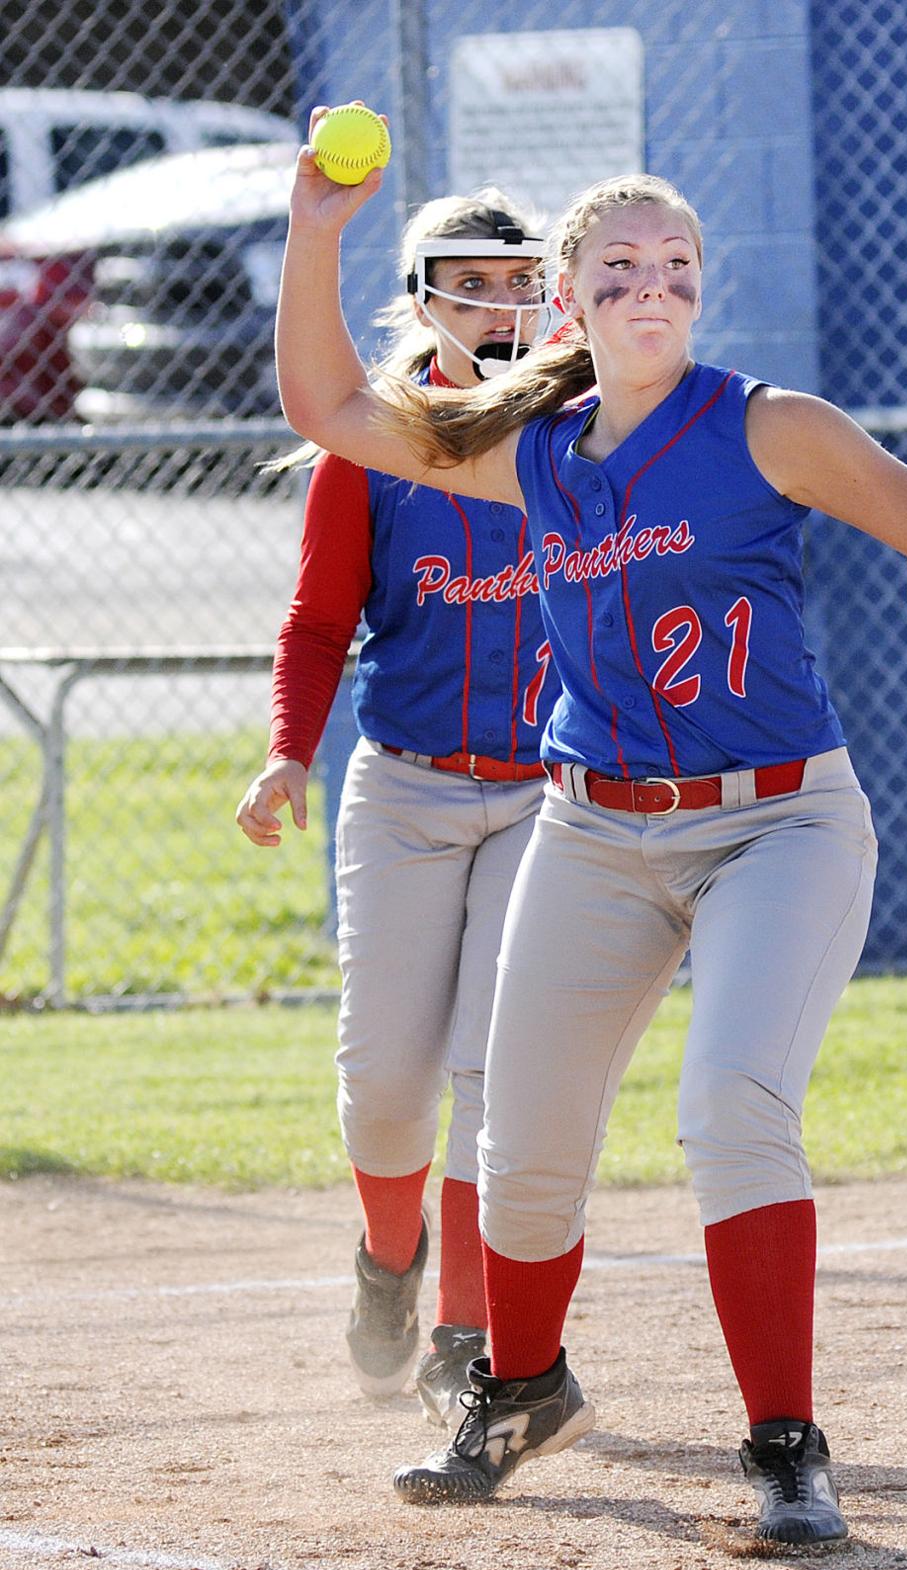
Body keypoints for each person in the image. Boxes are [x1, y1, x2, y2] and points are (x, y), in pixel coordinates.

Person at [275, 107, 907, 1549]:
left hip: (778, 828)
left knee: (730, 1107)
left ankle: (787, 1450)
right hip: (595, 829)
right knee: (525, 1138)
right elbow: (333, 414)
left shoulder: (769, 427)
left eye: (676, 262)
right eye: (619, 264)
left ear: (700, 288)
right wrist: (317, 229)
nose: (654, 284)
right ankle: (519, 1386)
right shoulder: (535, 455)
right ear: (570, 299)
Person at [236, 184, 558, 1433]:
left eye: (518, 278)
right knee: (384, 1083)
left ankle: (468, 1336)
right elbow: (318, 624)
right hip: (408, 786)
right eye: (469, 281)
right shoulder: (372, 443)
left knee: (490, 1075)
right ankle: (388, 1258)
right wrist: (287, 756)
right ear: (422, 296)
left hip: (545, 798)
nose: (497, 301)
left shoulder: (581, 430)